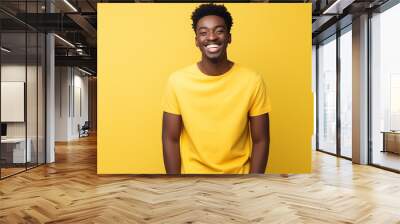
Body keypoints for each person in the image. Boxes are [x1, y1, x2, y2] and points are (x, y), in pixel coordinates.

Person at [162, 3, 271, 174]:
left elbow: (261, 140)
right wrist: (175, 185)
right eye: (203, 32)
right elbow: (170, 139)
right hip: (192, 180)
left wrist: (253, 184)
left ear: (229, 37)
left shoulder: (252, 80)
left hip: (238, 180)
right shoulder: (177, 81)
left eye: (219, 30)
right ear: (196, 40)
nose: (211, 37)